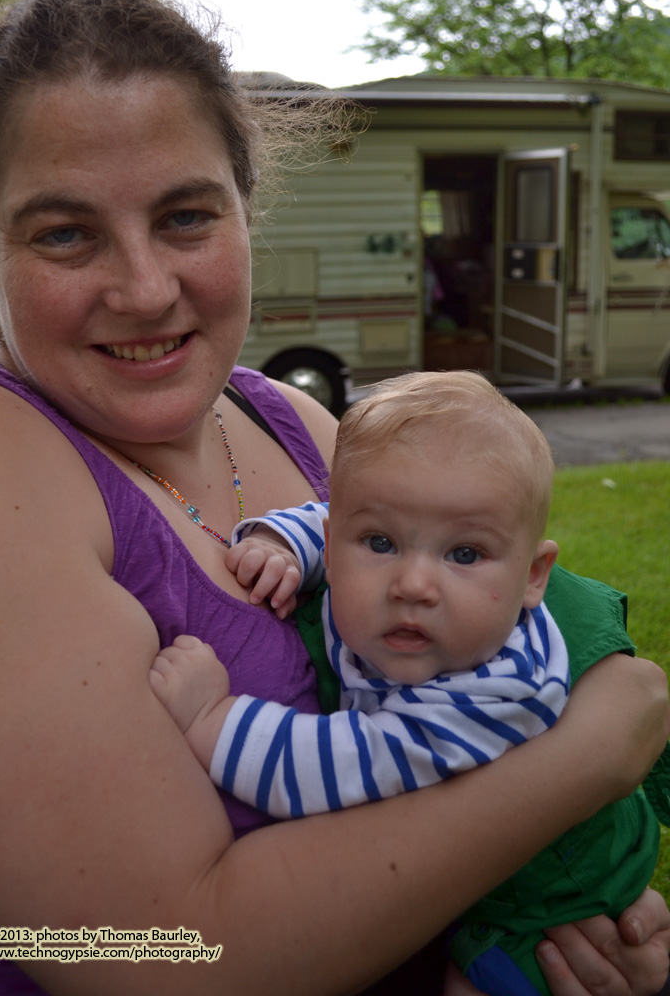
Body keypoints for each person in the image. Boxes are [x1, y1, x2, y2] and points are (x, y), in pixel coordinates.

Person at [0, 0, 669, 996]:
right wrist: (580, 762)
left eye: (186, 217)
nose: (144, 288)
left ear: (246, 214)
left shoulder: (291, 419)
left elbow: (489, 645)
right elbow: (161, 961)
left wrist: (573, 921)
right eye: (65, 234)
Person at [149, 370, 668, 995]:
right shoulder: (405, 594)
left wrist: (212, 719)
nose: (414, 584)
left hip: (554, 908)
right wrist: (281, 545)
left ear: (535, 577)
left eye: (465, 554)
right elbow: (331, 518)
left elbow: (337, 766)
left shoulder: (496, 694)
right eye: (382, 543)